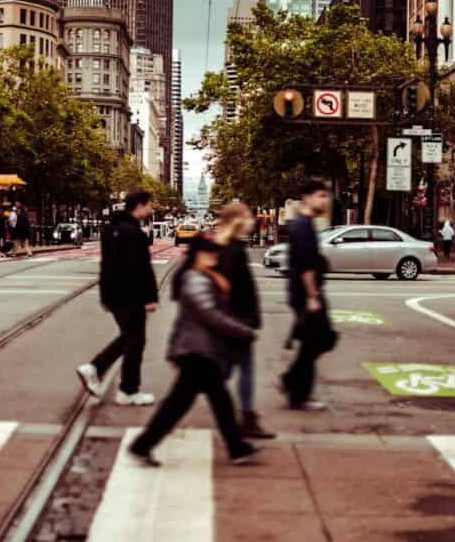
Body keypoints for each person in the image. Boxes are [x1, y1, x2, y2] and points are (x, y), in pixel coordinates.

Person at [127, 234, 261, 467]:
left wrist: (172, 350)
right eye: (209, 252)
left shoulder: (205, 277)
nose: (214, 255)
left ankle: (236, 446)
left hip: (198, 351)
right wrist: (243, 331)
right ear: (197, 255)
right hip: (198, 352)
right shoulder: (196, 280)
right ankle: (143, 445)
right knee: (187, 404)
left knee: (210, 402)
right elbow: (210, 315)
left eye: (215, 252)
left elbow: (183, 321)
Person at [77, 190, 160, 406]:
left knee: (129, 337)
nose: (151, 210)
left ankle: (97, 369)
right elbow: (142, 269)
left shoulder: (110, 230)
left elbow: (106, 266)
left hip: (114, 295)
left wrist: (105, 295)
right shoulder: (134, 234)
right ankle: (127, 389)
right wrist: (150, 297)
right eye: (149, 205)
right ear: (139, 206)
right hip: (131, 296)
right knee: (136, 340)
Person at [214, 202, 274, 439]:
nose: (253, 219)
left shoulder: (230, 247)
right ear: (238, 221)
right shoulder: (233, 251)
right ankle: (247, 418)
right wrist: (245, 323)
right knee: (237, 371)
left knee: (224, 372)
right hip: (238, 323)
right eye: (249, 216)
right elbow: (231, 290)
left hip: (235, 322)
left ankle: (245, 416)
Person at [281, 180, 337, 411]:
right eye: (320, 195)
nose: (325, 200)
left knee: (314, 342)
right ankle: (297, 390)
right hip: (307, 294)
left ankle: (294, 384)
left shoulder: (305, 224)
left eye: (326, 196)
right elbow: (305, 266)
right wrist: (313, 296)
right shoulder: (302, 226)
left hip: (306, 293)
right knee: (319, 340)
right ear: (306, 197)